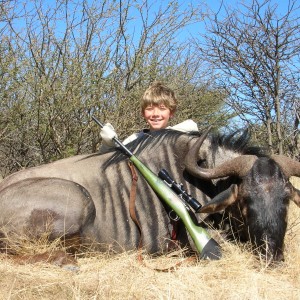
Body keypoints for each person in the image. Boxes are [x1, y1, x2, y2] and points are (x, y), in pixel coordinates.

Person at [100, 81, 198, 152]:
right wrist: (108, 145)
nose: (155, 114)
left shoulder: (181, 135)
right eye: (150, 109)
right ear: (143, 113)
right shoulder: (133, 140)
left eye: (162, 108)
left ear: (171, 112)